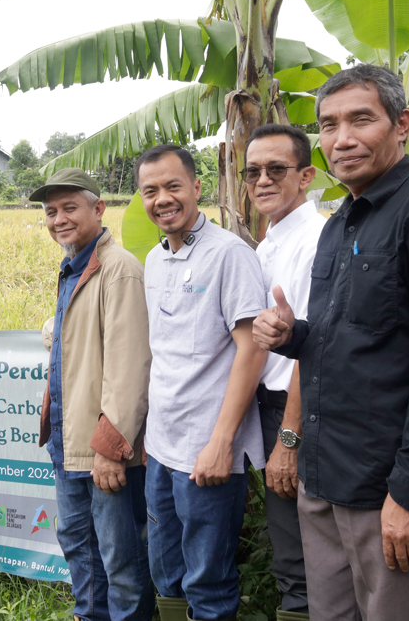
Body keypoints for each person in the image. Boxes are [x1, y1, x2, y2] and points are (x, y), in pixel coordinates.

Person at [252, 64, 409, 621]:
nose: (343, 139)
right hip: (324, 473)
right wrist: (292, 335)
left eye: (361, 119)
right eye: (329, 125)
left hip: (386, 486)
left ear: (401, 123)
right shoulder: (342, 223)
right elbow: (348, 337)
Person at [136, 144, 268, 621]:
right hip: (162, 447)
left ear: (196, 187)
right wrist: (151, 435)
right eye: (150, 190)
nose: (162, 199)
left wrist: (221, 442)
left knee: (208, 582)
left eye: (173, 186)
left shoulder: (229, 254)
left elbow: (252, 350)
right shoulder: (154, 260)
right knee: (166, 572)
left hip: (207, 451)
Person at [31, 169, 154, 621]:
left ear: (99, 210)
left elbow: (129, 367)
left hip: (103, 448)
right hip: (70, 444)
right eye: (50, 212)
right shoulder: (73, 267)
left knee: (120, 560)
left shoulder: (118, 269)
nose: (58, 220)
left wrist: (110, 448)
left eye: (69, 209)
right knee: (80, 551)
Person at [243, 125, 324, 621]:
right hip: (272, 407)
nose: (263, 180)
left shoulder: (314, 242)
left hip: (296, 410)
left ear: (307, 176)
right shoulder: (268, 243)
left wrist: (287, 441)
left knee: (302, 557)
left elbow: (309, 352)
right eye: (253, 171)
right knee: (290, 550)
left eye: (277, 169)